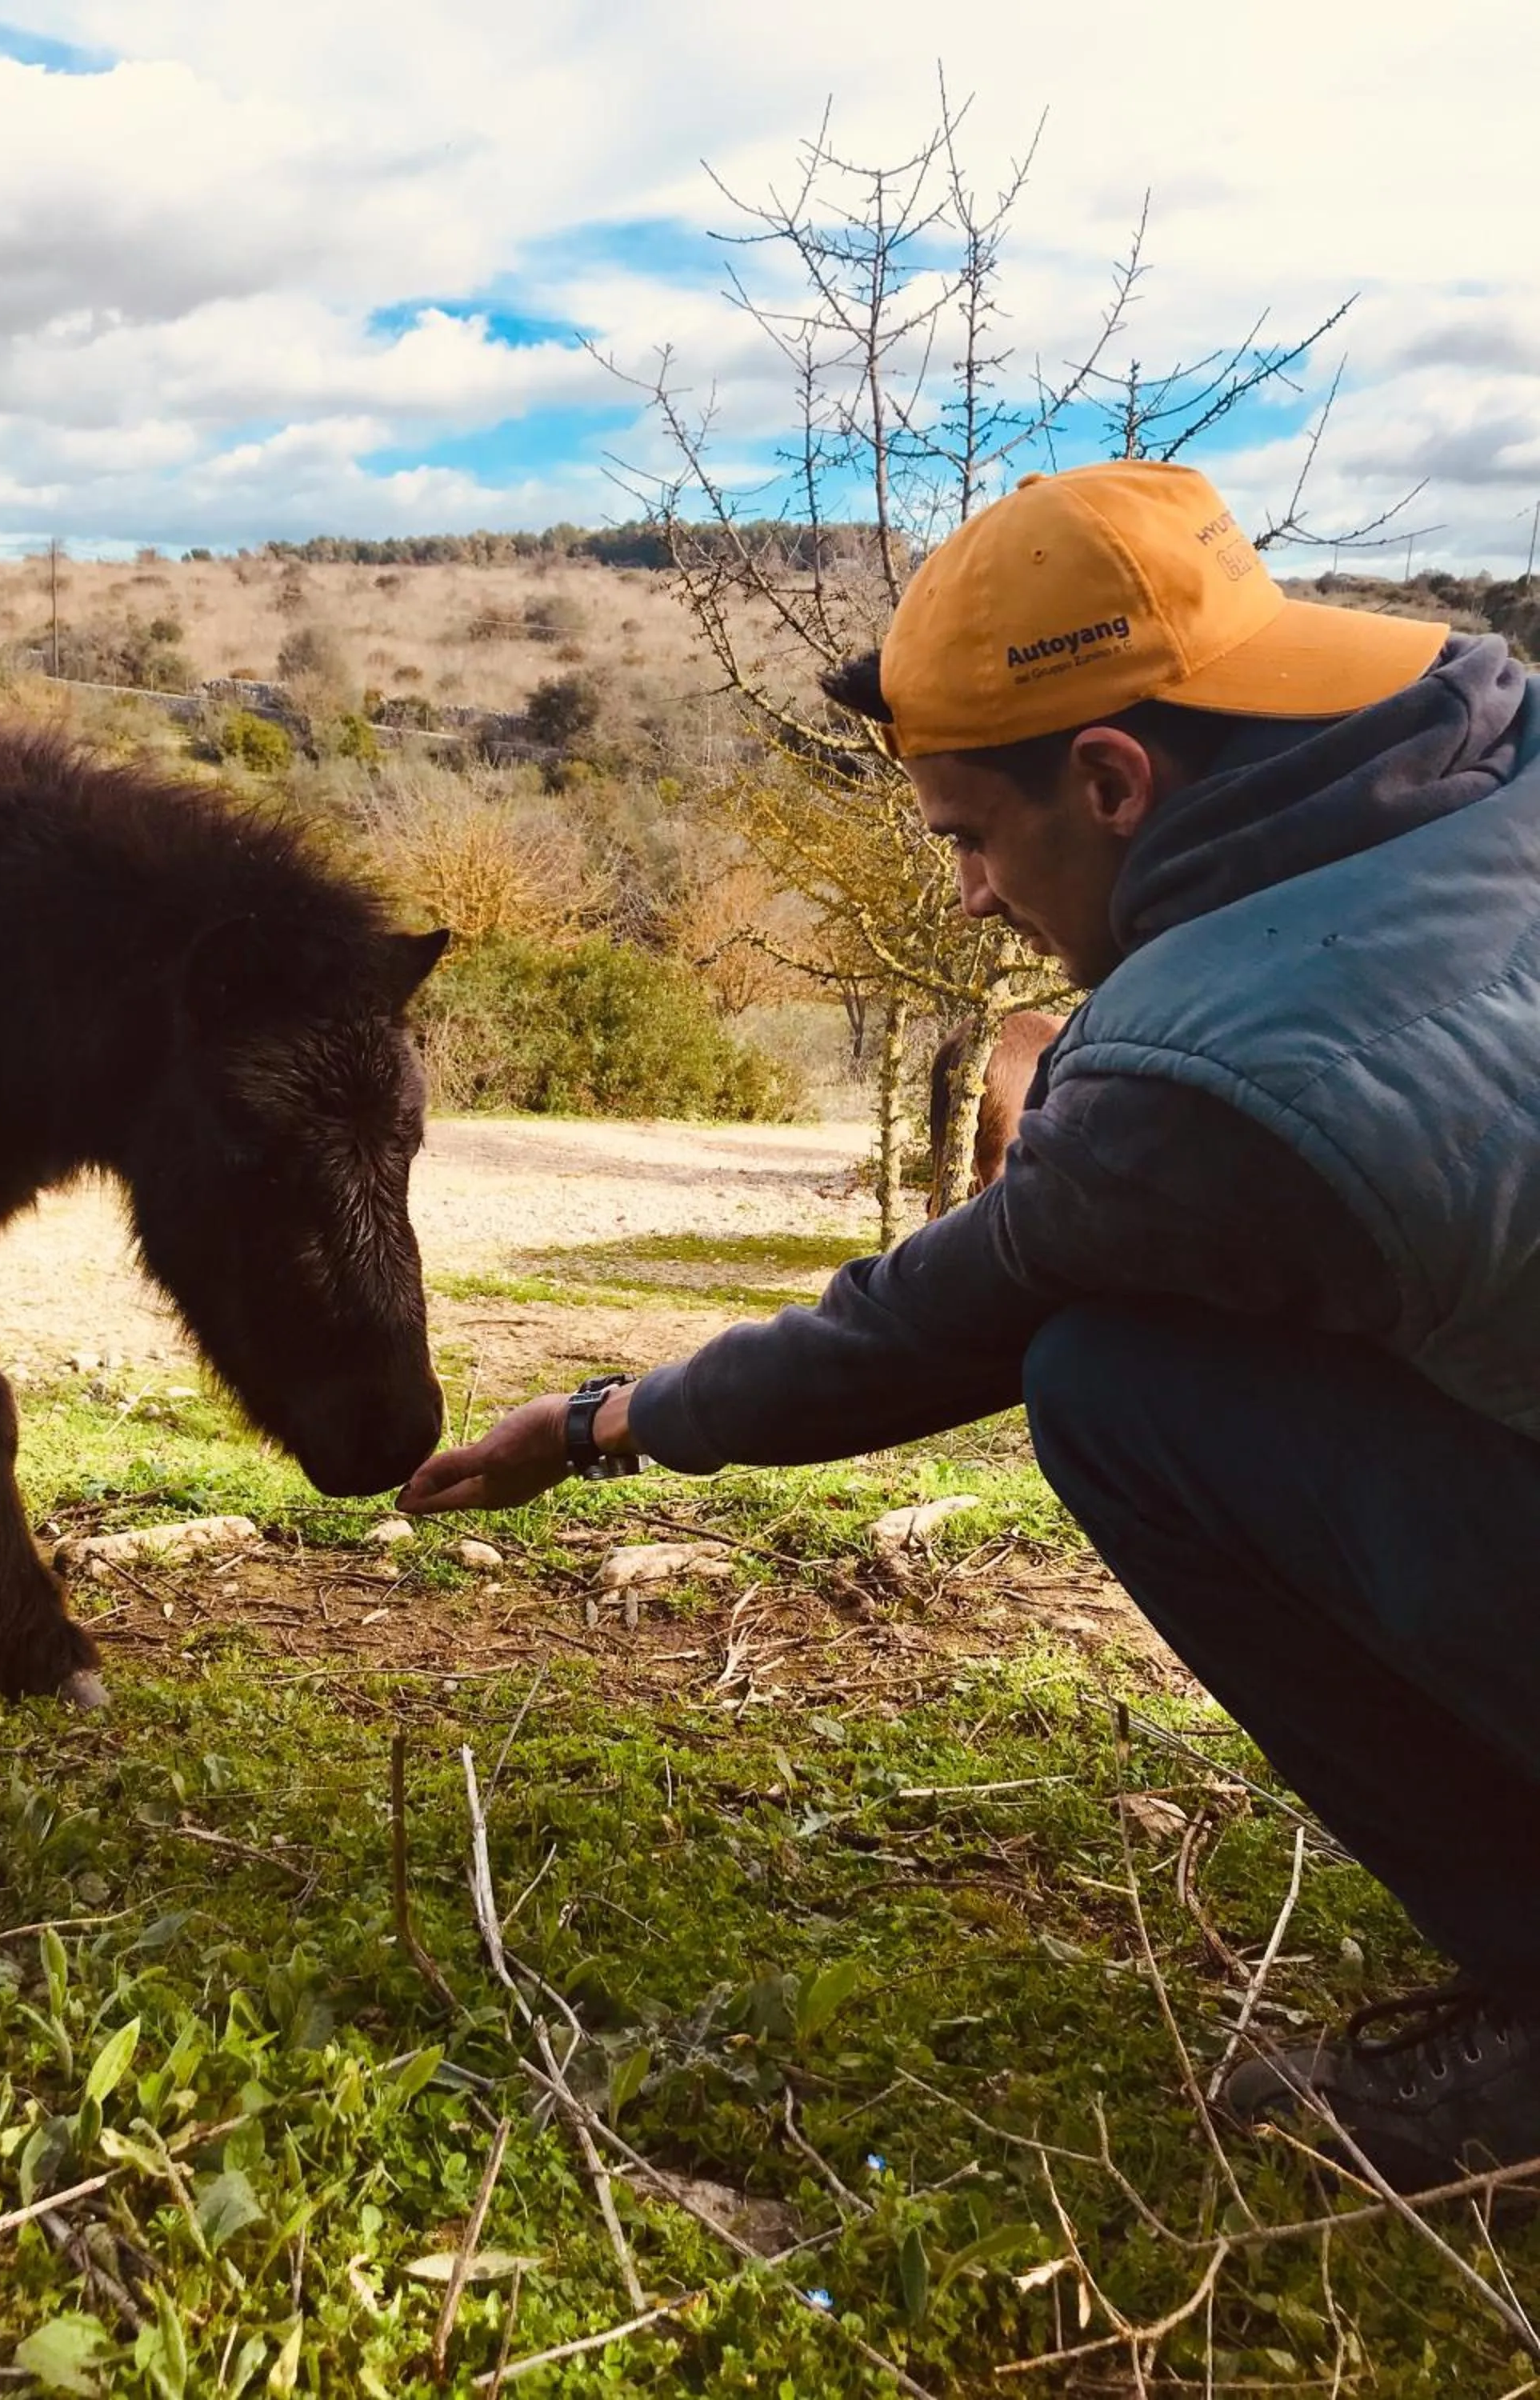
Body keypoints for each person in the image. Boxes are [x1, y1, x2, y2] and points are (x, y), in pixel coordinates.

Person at [400, 458, 1540, 2193]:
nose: (968, 901)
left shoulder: (1209, 1082)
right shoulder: (1489, 741)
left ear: (1111, 779)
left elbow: (935, 1324)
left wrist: (592, 1423)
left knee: (1111, 1382)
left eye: (967, 838)